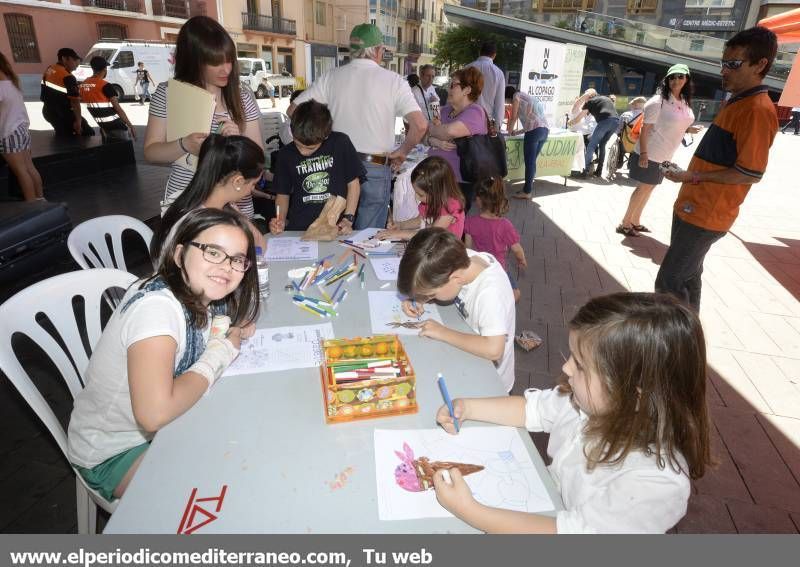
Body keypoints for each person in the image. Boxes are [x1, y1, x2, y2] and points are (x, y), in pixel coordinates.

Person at [432, 292, 712, 533]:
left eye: (580, 365)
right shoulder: (586, 401)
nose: (567, 369)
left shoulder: (655, 482)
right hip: (548, 506)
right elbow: (531, 409)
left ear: (634, 393)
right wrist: (467, 406)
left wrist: (469, 510)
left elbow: (568, 536)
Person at [67, 208, 260, 501]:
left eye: (237, 259)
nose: (226, 267)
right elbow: (154, 414)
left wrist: (230, 329)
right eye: (213, 252)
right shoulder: (157, 309)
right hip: (116, 452)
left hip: (167, 428)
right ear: (179, 254)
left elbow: (213, 329)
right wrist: (221, 352)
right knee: (232, 486)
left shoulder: (198, 291)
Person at [656, 26, 779, 311]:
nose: (724, 70)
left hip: (707, 214)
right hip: (694, 207)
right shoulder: (740, 100)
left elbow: (751, 173)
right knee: (688, 278)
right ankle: (690, 345)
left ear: (760, 64)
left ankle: (676, 350)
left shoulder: (758, 110)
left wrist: (693, 176)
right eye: (724, 63)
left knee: (668, 284)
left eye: (733, 64)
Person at [289, 23, 426, 229]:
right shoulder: (394, 81)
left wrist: (323, 137)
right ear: (379, 50)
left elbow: (293, 111)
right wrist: (403, 151)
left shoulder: (331, 77)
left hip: (335, 166)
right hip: (377, 166)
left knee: (332, 232)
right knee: (367, 239)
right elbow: (420, 125)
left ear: (351, 50)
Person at [143, 16, 265, 222]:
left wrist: (236, 143)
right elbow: (151, 152)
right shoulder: (167, 93)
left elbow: (259, 155)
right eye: (215, 62)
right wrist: (185, 145)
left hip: (236, 204)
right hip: (187, 204)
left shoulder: (242, 95)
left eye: (229, 60)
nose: (226, 69)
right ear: (194, 60)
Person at [397, 227, 516, 393]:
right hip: (467, 357)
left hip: (489, 380)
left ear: (455, 279)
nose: (430, 298)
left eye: (432, 294)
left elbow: (494, 349)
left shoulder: (490, 293)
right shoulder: (458, 260)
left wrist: (442, 332)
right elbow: (435, 277)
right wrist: (420, 296)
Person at [151, 134, 267, 260]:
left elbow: (260, 247)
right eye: (254, 184)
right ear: (238, 182)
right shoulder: (206, 225)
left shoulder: (211, 203)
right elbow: (257, 252)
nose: (252, 190)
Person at [617, 64, 700, 237]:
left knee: (650, 188)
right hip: (652, 153)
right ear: (667, 80)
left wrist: (688, 129)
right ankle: (625, 222)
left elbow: (671, 124)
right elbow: (645, 130)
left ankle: (635, 221)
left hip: (665, 154)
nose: (676, 80)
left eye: (680, 76)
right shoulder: (658, 102)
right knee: (643, 188)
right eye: (672, 77)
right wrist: (644, 154)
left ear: (687, 79)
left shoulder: (683, 101)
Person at [268, 100, 364, 234]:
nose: (303, 152)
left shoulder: (340, 143)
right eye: (298, 144)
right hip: (300, 229)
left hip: (335, 227)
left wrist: (348, 219)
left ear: (325, 136)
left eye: (310, 148)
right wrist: (280, 220)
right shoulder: (286, 154)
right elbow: (282, 194)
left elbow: (353, 184)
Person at [427, 67, 488, 212]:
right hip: (436, 177)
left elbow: (449, 131)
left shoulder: (475, 112)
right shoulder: (446, 110)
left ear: (467, 90)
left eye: (453, 85)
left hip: (458, 182)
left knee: (450, 227)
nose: (449, 89)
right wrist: (433, 141)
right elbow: (424, 134)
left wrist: (433, 130)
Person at [464, 177, 527, 302]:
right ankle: (502, 306)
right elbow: (517, 249)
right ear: (500, 200)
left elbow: (467, 247)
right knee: (516, 293)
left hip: (480, 268)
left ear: (478, 200)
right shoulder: (505, 225)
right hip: (499, 270)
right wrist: (521, 259)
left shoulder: (470, 222)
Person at [376, 155, 465, 240]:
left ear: (437, 191)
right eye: (416, 193)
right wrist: (400, 225)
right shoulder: (430, 201)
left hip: (447, 251)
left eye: (421, 195)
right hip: (431, 247)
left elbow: (432, 233)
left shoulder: (451, 206)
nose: (417, 197)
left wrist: (399, 233)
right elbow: (420, 220)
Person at [0, 51, 44, 201]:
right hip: (21, 131)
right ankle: (40, 200)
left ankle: (31, 205)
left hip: (9, 133)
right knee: (29, 168)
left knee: (21, 171)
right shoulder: (12, 84)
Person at [78, 56, 136, 141]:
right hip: (117, 127)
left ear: (93, 68)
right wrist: (131, 126)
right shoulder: (105, 85)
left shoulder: (83, 85)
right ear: (105, 69)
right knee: (124, 152)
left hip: (103, 127)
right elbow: (118, 109)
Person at [505, 86, 549, 199]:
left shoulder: (516, 96)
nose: (508, 103)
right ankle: (528, 188)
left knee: (530, 163)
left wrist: (509, 131)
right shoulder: (528, 97)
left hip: (534, 132)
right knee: (532, 162)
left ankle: (527, 191)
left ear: (508, 96)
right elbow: (532, 121)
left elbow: (513, 117)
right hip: (544, 130)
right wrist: (517, 131)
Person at [41, 47, 94, 136]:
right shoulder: (67, 77)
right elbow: (75, 101)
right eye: (74, 61)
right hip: (63, 113)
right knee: (88, 133)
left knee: (63, 137)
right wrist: (78, 121)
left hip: (48, 111)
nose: (76, 65)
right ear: (64, 59)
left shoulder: (50, 68)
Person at [568, 88, 619, 177]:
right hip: (615, 121)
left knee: (591, 145)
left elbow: (578, 118)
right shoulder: (605, 98)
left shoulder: (590, 102)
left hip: (604, 121)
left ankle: (585, 170)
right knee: (602, 144)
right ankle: (599, 170)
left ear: (588, 96)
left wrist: (570, 122)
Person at [467, 41, 505, 129]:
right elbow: (499, 102)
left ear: (479, 52)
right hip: (485, 122)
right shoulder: (498, 73)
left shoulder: (467, 68)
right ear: (494, 55)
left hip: (465, 119)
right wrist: (497, 126)